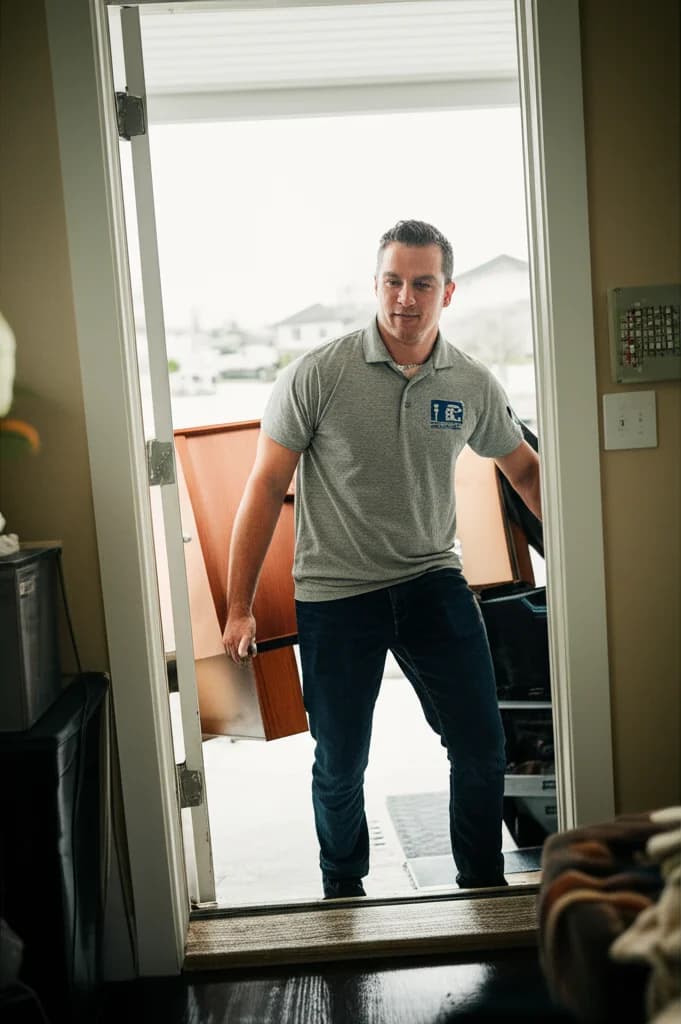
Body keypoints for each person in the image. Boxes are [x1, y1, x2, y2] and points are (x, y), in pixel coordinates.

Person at [223, 220, 541, 900]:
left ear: (446, 292)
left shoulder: (471, 382)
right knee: (340, 762)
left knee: (481, 747)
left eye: (421, 283)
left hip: (432, 582)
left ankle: (481, 887)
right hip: (337, 595)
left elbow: (525, 471)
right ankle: (343, 889)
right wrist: (239, 604)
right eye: (392, 281)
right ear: (375, 286)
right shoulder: (318, 374)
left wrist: (576, 563)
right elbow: (262, 487)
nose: (405, 298)